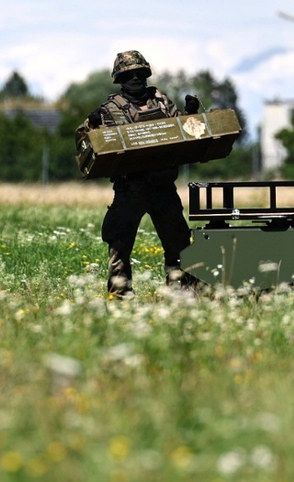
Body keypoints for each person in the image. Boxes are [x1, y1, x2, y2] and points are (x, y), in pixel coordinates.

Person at [77, 50, 201, 297]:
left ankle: (181, 294)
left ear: (146, 74)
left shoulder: (162, 102)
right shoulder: (109, 110)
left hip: (163, 187)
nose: (135, 78)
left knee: (178, 243)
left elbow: (186, 133)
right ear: (119, 79)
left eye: (139, 74)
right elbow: (83, 143)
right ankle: (121, 296)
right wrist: (91, 125)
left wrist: (191, 114)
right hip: (130, 189)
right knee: (119, 246)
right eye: (128, 75)